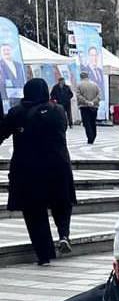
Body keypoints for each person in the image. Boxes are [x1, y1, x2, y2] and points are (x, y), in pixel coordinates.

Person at [0, 78, 75, 265]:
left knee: (34, 211)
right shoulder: (58, 111)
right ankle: (64, 234)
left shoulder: (18, 113)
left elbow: (2, 132)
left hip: (28, 170)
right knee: (62, 202)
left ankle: (44, 255)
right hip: (58, 165)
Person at [76, 71, 101, 144]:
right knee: (93, 122)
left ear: (81, 77)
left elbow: (78, 95)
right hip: (94, 106)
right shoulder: (95, 85)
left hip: (84, 106)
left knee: (87, 123)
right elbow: (99, 95)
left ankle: (90, 137)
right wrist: (93, 102)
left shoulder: (79, 85)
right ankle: (94, 135)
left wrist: (86, 102)